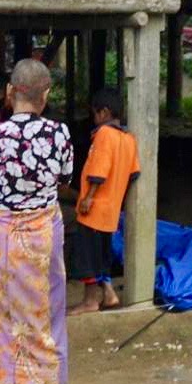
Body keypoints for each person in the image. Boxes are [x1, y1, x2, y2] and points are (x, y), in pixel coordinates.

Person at [0, 58, 75, 384]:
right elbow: (63, 181)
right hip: (45, 232)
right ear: (45, 95)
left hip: (2, 234)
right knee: (50, 324)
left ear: (11, 92)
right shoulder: (60, 134)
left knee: (3, 328)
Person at [66, 87, 140, 314]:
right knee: (101, 255)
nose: (94, 119)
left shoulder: (104, 135)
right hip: (111, 210)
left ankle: (90, 301)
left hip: (95, 208)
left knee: (87, 257)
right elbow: (134, 173)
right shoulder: (128, 138)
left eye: (95, 114)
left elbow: (99, 170)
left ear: (104, 112)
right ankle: (108, 293)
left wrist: (88, 197)